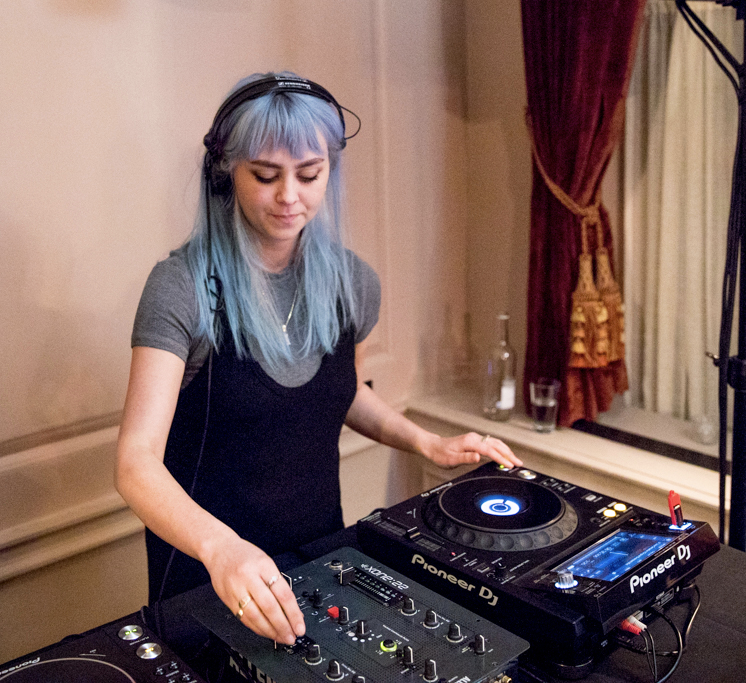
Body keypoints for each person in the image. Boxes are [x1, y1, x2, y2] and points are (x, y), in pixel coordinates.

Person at [114, 72, 521, 647]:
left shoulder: (353, 282)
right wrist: (221, 548)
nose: (289, 196)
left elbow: (341, 391)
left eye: (309, 174)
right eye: (265, 175)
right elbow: (135, 465)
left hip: (322, 563)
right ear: (226, 172)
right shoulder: (181, 288)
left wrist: (427, 443)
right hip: (209, 580)